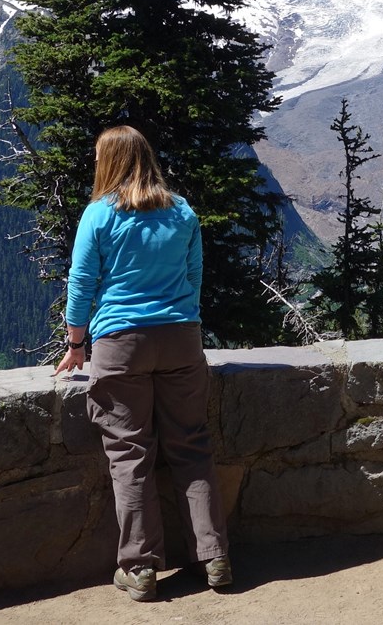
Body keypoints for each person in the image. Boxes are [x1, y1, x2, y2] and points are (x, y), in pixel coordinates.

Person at [55, 124, 231, 603]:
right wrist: (184, 323)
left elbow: (81, 283)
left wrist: (76, 343)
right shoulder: (182, 211)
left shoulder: (99, 214)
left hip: (120, 343)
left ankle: (140, 566)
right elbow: (194, 277)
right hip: (182, 338)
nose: (94, 164)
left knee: (129, 453)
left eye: (97, 157)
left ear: (110, 161)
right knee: (191, 447)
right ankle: (213, 556)